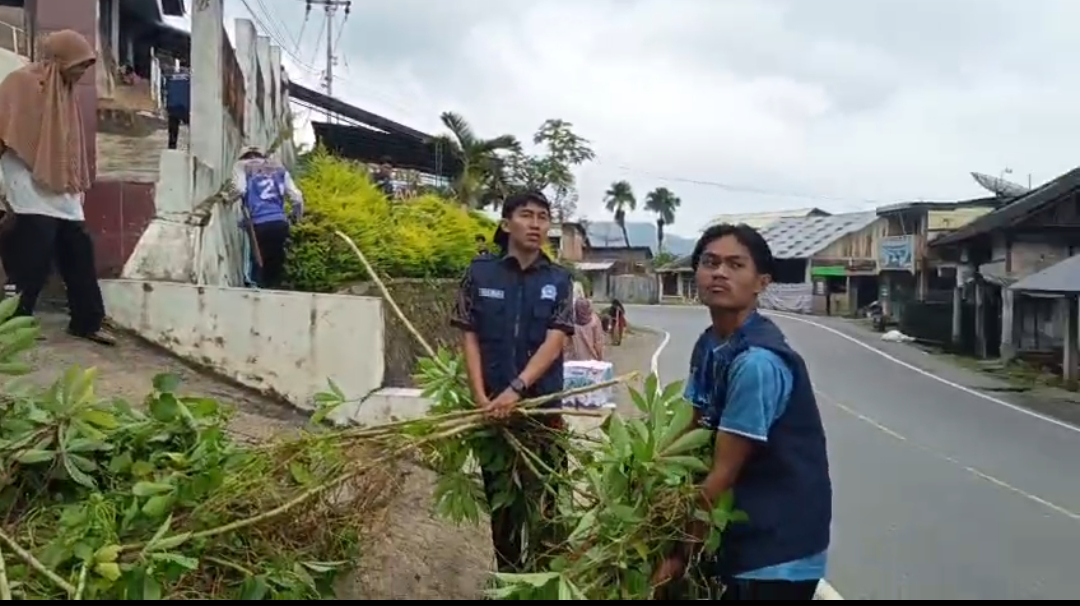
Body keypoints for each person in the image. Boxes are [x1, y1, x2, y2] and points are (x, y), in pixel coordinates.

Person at [653, 223, 831, 601]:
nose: (719, 272)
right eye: (710, 262)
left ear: (761, 282)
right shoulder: (711, 343)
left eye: (735, 265)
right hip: (739, 536)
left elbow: (722, 473)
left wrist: (679, 552)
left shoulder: (757, 363)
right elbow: (687, 432)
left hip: (774, 552)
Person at [449, 190, 575, 573]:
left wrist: (516, 389)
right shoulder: (479, 273)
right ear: (506, 224)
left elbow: (556, 339)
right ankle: (508, 579)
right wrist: (480, 396)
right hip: (493, 416)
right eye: (527, 215)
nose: (536, 224)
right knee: (502, 508)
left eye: (543, 217)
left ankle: (544, 583)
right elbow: (469, 334)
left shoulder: (560, 279)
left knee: (547, 506)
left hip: (542, 411)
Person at [0, 30, 115, 345]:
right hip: (25, 179)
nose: (82, 73)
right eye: (79, 65)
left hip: (61, 186)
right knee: (32, 254)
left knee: (78, 249)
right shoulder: (20, 83)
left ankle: (87, 321)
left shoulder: (63, 89)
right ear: (60, 59)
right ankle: (13, 326)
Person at [232, 146, 304, 289]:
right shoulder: (278, 168)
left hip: (258, 223)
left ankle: (256, 290)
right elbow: (297, 197)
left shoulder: (241, 166)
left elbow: (240, 189)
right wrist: (297, 216)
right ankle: (274, 291)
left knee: (256, 261)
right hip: (280, 222)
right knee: (276, 261)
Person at [565, 297, 604, 362]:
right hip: (591, 359)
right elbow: (598, 342)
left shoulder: (571, 321)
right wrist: (600, 357)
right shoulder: (594, 320)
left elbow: (566, 343)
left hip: (574, 360)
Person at [163, 64, 190, 150]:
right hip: (185, 107)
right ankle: (191, 149)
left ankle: (172, 149)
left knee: (172, 134)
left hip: (172, 107)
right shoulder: (190, 76)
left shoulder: (169, 76)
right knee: (193, 131)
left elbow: (165, 91)